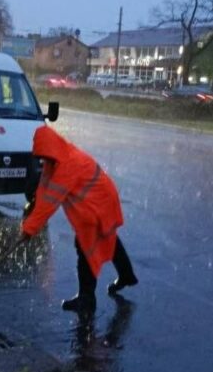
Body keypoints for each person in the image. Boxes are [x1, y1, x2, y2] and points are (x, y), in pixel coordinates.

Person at [20, 124, 138, 320]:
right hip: (97, 200)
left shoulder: (68, 165)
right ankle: (126, 275)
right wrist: (31, 216)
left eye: (44, 155)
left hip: (100, 203)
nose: (43, 160)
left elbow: (50, 201)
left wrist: (30, 228)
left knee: (86, 246)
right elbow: (44, 190)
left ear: (50, 149)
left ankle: (86, 299)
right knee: (107, 238)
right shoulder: (55, 159)